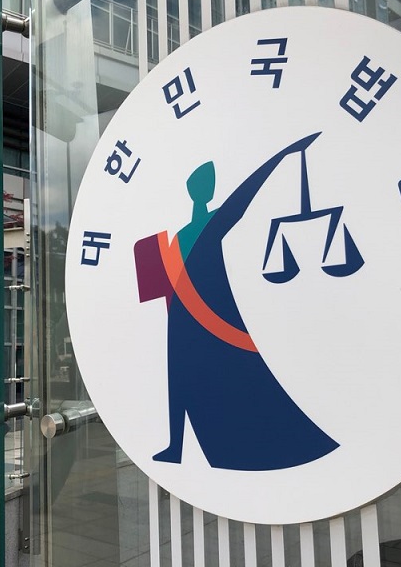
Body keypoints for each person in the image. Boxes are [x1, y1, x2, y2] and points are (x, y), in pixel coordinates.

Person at [134, 133, 339, 471]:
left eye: (208, 183)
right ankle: (175, 445)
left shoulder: (215, 220)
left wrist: (281, 159)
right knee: (179, 380)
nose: (205, 188)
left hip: (213, 315)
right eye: (202, 183)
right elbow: (165, 283)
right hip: (183, 317)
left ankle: (213, 441)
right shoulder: (179, 234)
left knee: (221, 377)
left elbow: (243, 200)